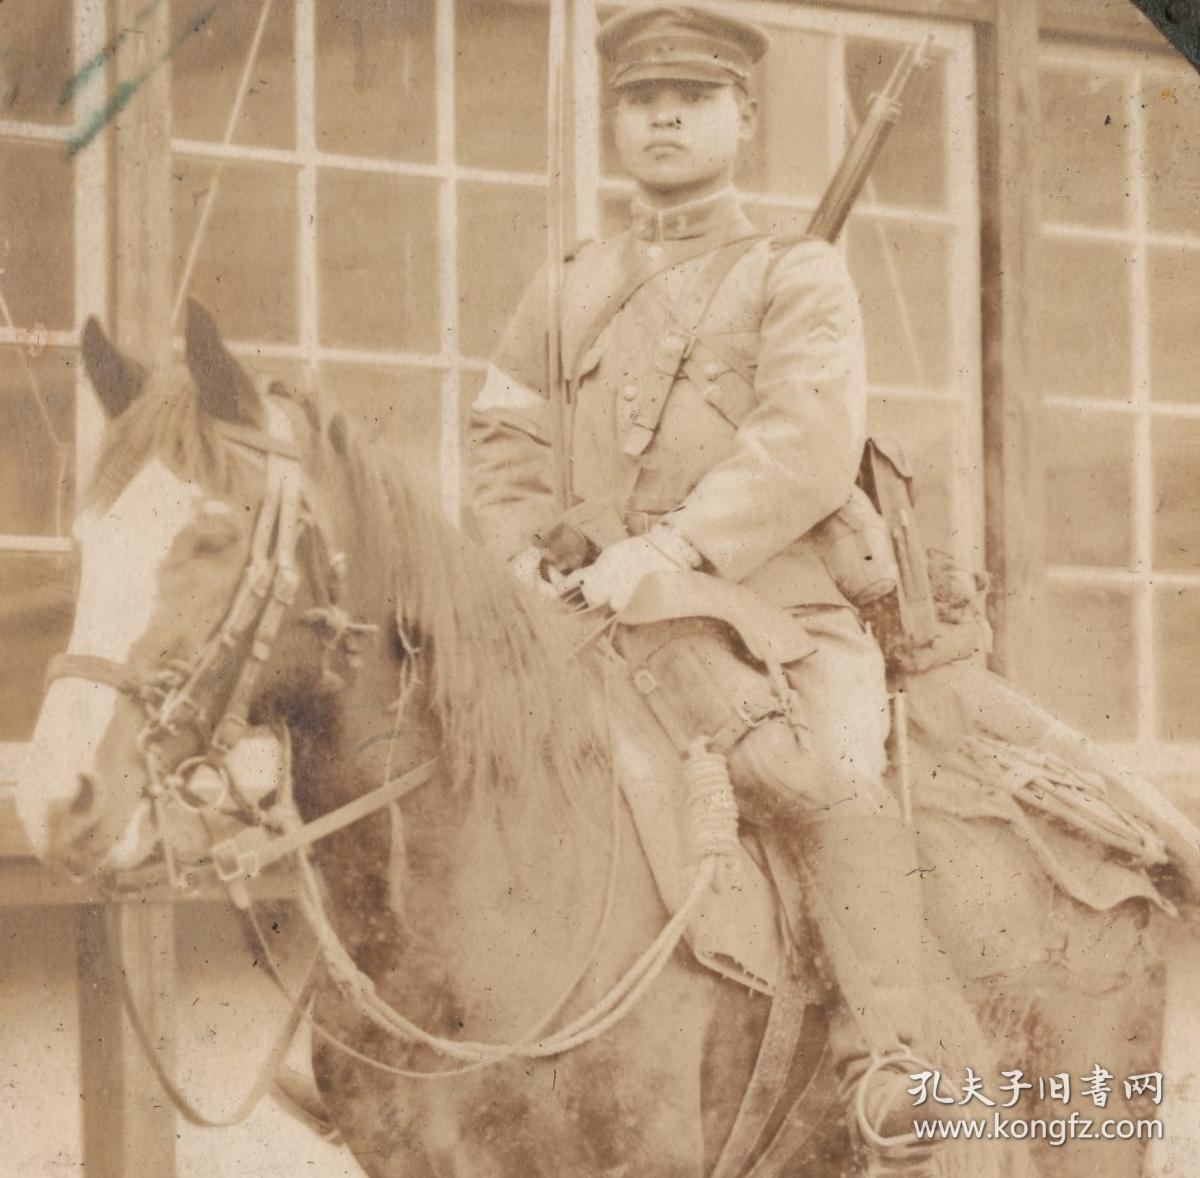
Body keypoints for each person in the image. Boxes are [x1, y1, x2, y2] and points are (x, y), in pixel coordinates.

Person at [465, 6, 973, 1170]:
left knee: (818, 773)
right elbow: (502, 444)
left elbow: (801, 441)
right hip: (590, 610)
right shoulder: (567, 284)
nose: (665, 117)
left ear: (743, 117)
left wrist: (679, 551)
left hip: (769, 610)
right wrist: (519, 551)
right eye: (643, 100)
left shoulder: (796, 273)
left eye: (692, 98)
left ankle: (900, 1059)